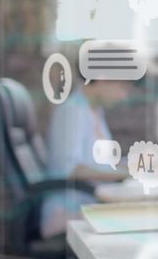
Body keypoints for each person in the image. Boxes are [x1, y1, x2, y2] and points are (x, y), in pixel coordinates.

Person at [40, 79, 132, 238]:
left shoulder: (94, 111)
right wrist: (127, 173)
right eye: (122, 87)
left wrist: (135, 167)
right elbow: (71, 170)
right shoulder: (72, 111)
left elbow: (102, 164)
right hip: (67, 215)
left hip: (89, 208)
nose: (123, 96)